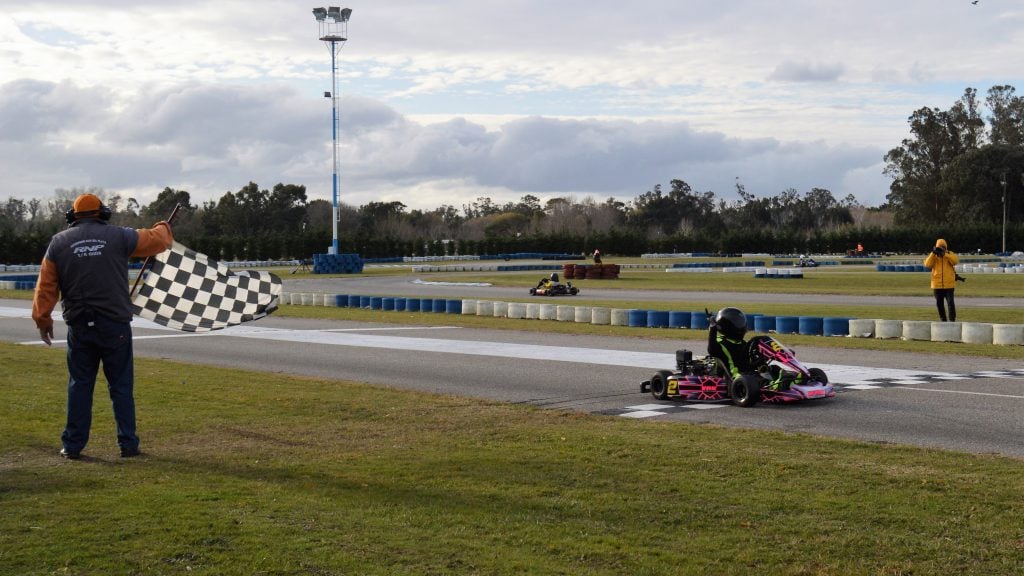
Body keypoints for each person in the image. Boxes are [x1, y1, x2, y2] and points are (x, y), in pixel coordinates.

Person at [32, 193, 173, 460]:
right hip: (115, 325)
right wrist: (163, 225)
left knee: (80, 385)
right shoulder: (120, 236)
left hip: (80, 326)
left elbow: (45, 287)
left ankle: (72, 446)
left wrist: (43, 319)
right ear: (103, 213)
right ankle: (128, 444)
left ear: (72, 216)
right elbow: (159, 241)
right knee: (120, 386)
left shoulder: (58, 243)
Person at [707, 307, 800, 391]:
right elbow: (712, 350)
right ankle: (774, 386)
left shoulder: (742, 343)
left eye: (740, 322)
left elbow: (747, 360)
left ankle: (793, 379)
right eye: (737, 322)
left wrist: (778, 354)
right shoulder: (720, 343)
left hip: (749, 372)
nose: (740, 325)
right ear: (726, 326)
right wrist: (712, 328)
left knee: (772, 368)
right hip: (737, 377)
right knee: (754, 379)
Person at [923, 238, 959, 322]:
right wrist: (933, 253)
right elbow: (927, 265)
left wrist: (944, 254)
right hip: (937, 285)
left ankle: (952, 320)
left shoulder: (950, 254)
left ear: (946, 247)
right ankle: (943, 320)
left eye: (943, 247)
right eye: (939, 247)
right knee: (939, 304)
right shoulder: (934, 256)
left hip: (949, 285)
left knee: (950, 304)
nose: (941, 248)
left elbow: (955, 261)